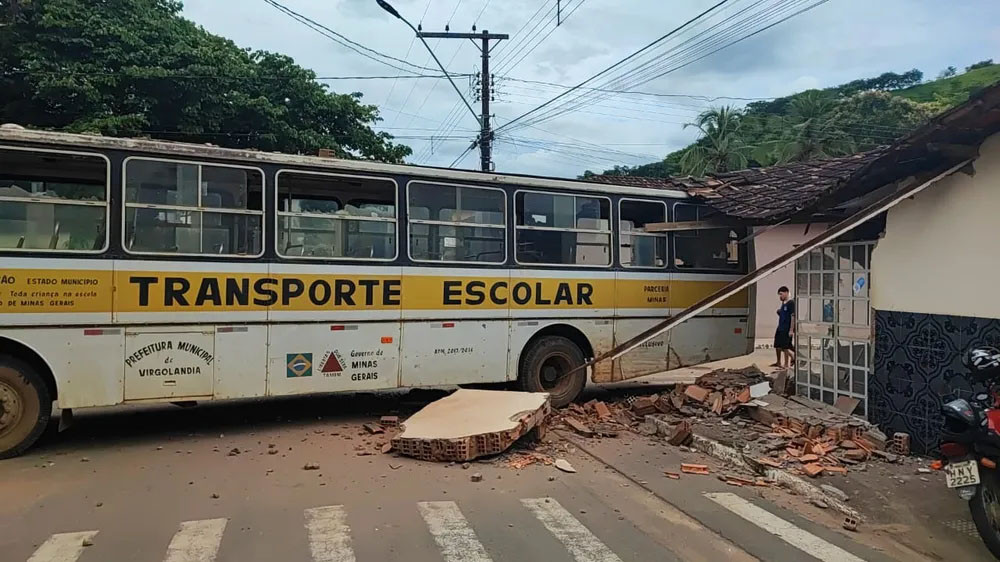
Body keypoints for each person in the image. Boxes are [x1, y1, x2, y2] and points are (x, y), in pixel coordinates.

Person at [772, 286, 795, 369]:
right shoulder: (784, 303)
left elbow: (793, 317)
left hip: (786, 328)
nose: (780, 296)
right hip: (780, 327)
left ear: (786, 292)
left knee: (785, 347)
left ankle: (786, 363)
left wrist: (791, 330)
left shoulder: (791, 303)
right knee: (777, 345)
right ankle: (778, 362)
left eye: (781, 294)